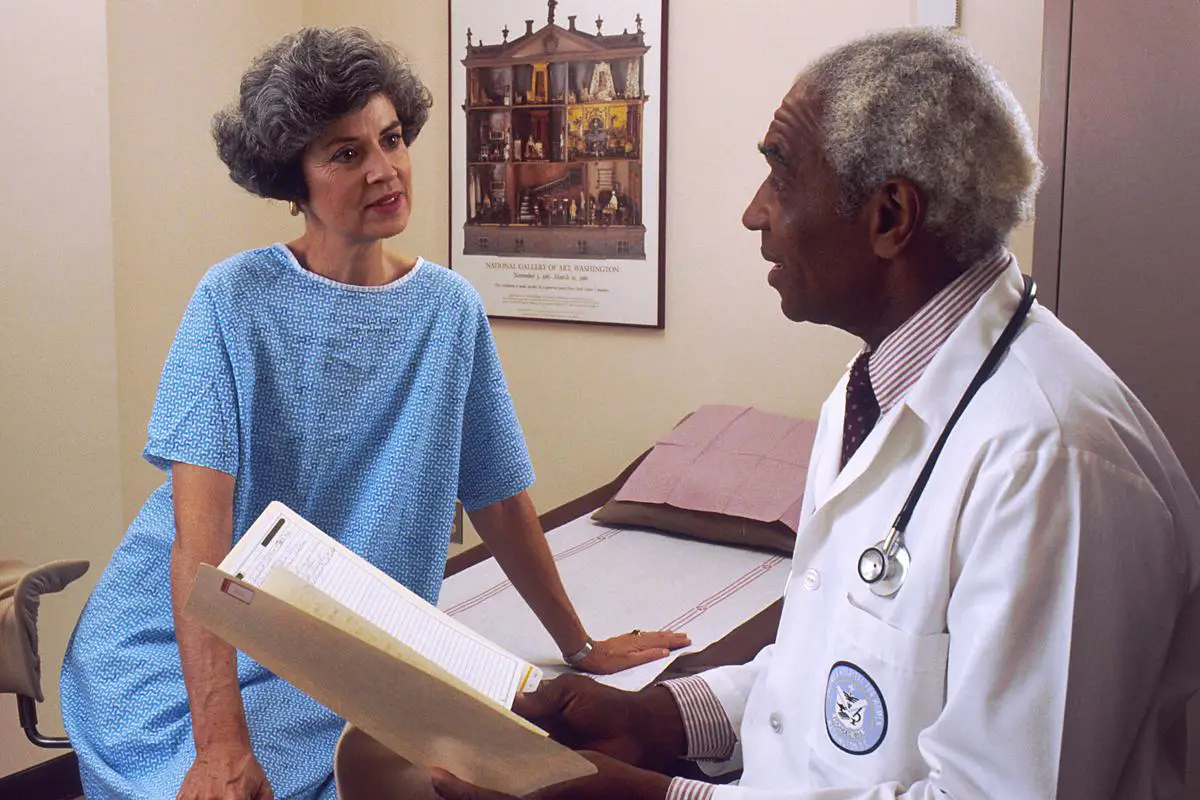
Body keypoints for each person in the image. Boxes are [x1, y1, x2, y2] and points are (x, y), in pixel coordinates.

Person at [427, 27, 1200, 800]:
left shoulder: (1054, 463)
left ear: (891, 215)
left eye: (781, 177)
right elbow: (824, 677)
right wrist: (659, 720)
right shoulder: (869, 393)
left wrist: (646, 796)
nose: (752, 214)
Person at [59, 27, 686, 800]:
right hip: (178, 656)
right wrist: (219, 744)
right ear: (295, 179)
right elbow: (198, 545)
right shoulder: (232, 300)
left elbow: (497, 496)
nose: (385, 170)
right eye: (345, 152)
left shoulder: (449, 311)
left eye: (390, 138)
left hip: (344, 661)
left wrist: (578, 644)